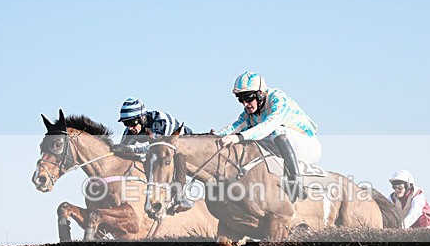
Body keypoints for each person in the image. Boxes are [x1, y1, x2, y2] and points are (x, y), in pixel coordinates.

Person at [214, 72, 321, 202]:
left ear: (260, 94)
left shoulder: (278, 99)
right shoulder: (249, 113)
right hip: (280, 145)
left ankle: (294, 180)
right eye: (240, 99)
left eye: (248, 98)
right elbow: (234, 127)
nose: (245, 104)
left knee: (274, 130)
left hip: (307, 146)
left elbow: (269, 126)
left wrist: (239, 137)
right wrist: (213, 136)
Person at [114, 98, 194, 213]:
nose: (130, 127)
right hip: (160, 146)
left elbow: (156, 149)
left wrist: (129, 149)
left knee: (176, 157)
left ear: (142, 118)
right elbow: (121, 154)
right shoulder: (130, 131)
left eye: (132, 123)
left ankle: (181, 196)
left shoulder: (159, 122)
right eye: (126, 123)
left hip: (183, 141)